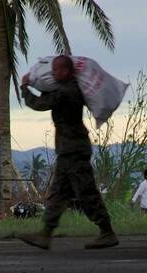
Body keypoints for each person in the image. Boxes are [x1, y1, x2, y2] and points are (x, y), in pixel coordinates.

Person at [17, 55, 118, 250]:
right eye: (52, 70)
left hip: (74, 150)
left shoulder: (68, 91)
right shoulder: (64, 89)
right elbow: (46, 99)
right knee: (58, 194)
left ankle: (107, 232)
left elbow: (40, 104)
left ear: (67, 71)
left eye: (57, 70)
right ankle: (45, 234)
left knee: (86, 192)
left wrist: (24, 87)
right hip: (68, 150)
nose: (54, 73)